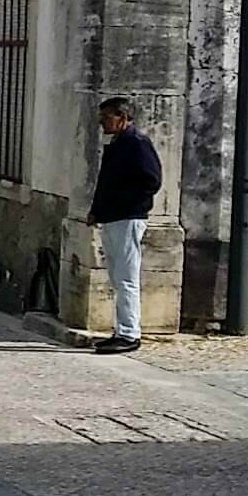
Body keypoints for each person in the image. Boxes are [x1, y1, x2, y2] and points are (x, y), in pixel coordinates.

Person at [86, 97, 162, 354]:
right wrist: (97, 210)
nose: (102, 122)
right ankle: (121, 329)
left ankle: (129, 333)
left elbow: (151, 180)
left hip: (127, 217)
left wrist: (125, 204)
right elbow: (106, 181)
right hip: (112, 216)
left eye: (107, 117)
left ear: (122, 117)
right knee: (117, 277)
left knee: (126, 277)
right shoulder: (118, 144)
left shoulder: (136, 143)